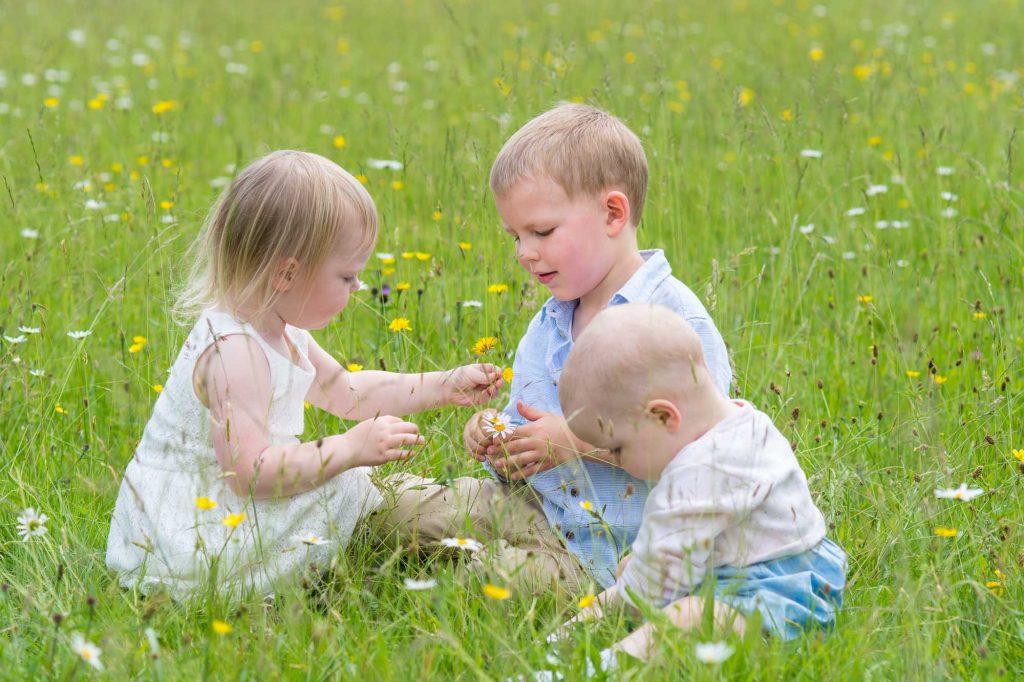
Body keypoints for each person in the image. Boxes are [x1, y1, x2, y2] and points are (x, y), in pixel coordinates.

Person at [106, 150, 502, 600]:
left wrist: (444, 385)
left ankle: (454, 520)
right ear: (287, 274)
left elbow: (348, 392)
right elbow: (248, 475)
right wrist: (348, 448)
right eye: (347, 276)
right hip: (202, 533)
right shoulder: (236, 355)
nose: (358, 288)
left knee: (355, 490)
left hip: (240, 503)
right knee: (350, 490)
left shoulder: (276, 327)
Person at [375, 104, 731, 594]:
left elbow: (707, 444)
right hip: (534, 510)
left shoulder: (671, 320)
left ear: (612, 214)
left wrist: (575, 441)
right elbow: (527, 418)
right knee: (394, 509)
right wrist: (492, 434)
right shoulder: (553, 317)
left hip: (614, 553)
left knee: (486, 584)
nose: (525, 252)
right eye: (516, 236)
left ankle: (492, 571)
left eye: (541, 232)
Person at [551, 303, 845, 672]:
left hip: (784, 593)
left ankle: (599, 668)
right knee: (638, 569)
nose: (616, 459)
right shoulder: (739, 419)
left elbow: (655, 583)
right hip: (747, 569)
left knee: (687, 615)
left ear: (663, 416)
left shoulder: (701, 472)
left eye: (618, 448)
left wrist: (639, 586)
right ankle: (559, 643)